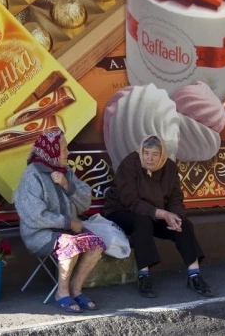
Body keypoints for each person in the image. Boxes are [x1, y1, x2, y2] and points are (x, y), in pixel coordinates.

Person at [104, 135, 214, 298]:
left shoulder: (169, 168)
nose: (149, 158)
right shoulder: (130, 164)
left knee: (184, 225)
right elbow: (131, 201)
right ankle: (143, 276)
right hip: (123, 210)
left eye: (154, 154)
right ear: (141, 151)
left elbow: (175, 197)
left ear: (162, 155)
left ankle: (194, 275)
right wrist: (163, 214)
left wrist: (175, 216)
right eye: (146, 153)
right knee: (142, 222)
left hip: (156, 213)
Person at [14, 130, 105, 313]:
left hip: (68, 229)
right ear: (52, 151)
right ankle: (60, 293)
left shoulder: (66, 173)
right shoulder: (32, 175)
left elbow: (86, 201)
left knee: (97, 244)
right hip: (39, 233)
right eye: (64, 149)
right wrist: (68, 223)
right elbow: (34, 216)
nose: (68, 153)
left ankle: (75, 289)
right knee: (70, 244)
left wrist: (67, 185)